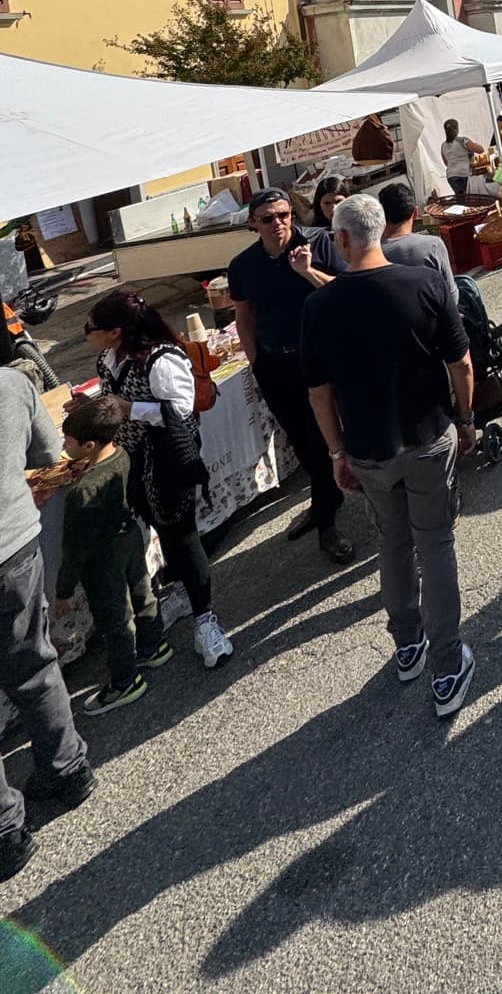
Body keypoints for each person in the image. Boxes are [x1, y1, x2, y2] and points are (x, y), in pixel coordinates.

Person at [304, 194, 478, 718]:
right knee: (436, 544)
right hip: (427, 437)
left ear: (340, 241)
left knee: (393, 543)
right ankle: (447, 667)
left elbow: (318, 392)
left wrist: (337, 451)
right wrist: (467, 420)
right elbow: (462, 362)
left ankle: (408, 645)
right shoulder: (424, 284)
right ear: (381, 233)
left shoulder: (319, 306)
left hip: (369, 449)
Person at [85, 290, 233, 666]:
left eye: (92, 328)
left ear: (115, 331)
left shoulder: (162, 359)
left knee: (182, 534)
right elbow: (114, 398)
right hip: (132, 458)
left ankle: (206, 620)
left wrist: (128, 408)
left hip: (168, 459)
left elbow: (179, 411)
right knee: (160, 527)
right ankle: (182, 591)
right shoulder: (108, 358)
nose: (87, 333)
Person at [0, 364, 94, 879]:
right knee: (34, 662)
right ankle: (68, 768)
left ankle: (7, 831)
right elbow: (47, 453)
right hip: (14, 545)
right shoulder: (10, 385)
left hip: (13, 540)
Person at [228, 188, 354, 565]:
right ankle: (324, 503)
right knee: (303, 442)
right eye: (268, 218)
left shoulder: (316, 243)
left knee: (330, 437)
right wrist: (257, 364)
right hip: (277, 366)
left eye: (284, 215)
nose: (279, 223)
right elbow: (244, 316)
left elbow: (347, 291)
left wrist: (308, 270)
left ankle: (328, 520)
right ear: (254, 224)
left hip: (323, 359)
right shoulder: (242, 266)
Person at [55, 394, 170, 716]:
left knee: (114, 618)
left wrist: (64, 591)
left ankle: (125, 681)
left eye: (68, 440)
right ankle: (153, 646)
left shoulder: (82, 492)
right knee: (142, 592)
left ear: (89, 445)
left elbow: (74, 547)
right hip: (129, 536)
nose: (64, 443)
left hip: (101, 558)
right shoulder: (121, 456)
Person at [379, 181, 459, 301]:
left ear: (381, 217)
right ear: (415, 213)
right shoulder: (433, 245)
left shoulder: (375, 255)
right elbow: (452, 297)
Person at [440, 120, 476, 201]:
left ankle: (461, 209)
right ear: (457, 129)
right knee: (468, 197)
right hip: (464, 173)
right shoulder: (463, 140)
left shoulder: (443, 145)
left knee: (460, 197)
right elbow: (480, 149)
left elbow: (446, 163)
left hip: (451, 175)